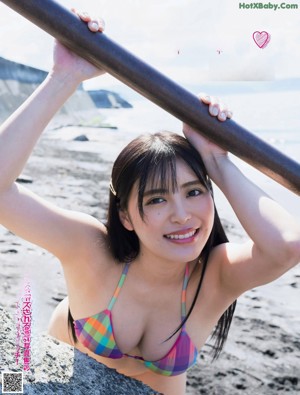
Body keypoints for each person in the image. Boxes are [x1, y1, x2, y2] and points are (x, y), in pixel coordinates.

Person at [0, 10, 299, 395]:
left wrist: (217, 160)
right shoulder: (90, 249)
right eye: (157, 199)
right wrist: (64, 77)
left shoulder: (216, 275)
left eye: (194, 191)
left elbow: (287, 245)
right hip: (58, 377)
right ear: (125, 215)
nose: (181, 215)